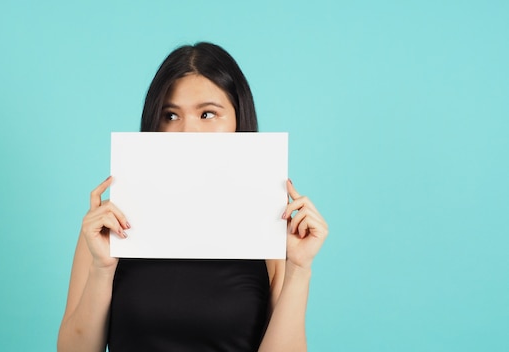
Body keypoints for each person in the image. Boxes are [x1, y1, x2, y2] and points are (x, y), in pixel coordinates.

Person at [57, 42, 329, 352]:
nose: (188, 132)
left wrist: (298, 270)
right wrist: (101, 270)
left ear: (238, 121)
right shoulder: (110, 221)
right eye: (170, 116)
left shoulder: (270, 227)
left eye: (208, 114)